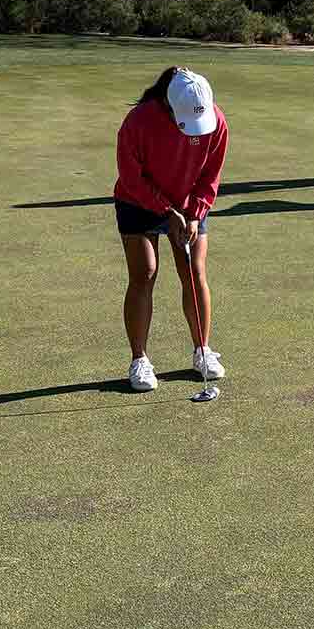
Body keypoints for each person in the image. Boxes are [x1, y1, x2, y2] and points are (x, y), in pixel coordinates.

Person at [113, 66, 228, 392]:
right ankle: (140, 360)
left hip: (188, 203)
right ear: (167, 105)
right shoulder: (139, 121)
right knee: (145, 273)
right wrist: (166, 211)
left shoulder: (216, 121)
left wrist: (194, 214)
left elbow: (210, 176)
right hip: (138, 200)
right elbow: (131, 177)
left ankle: (203, 350)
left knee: (194, 270)